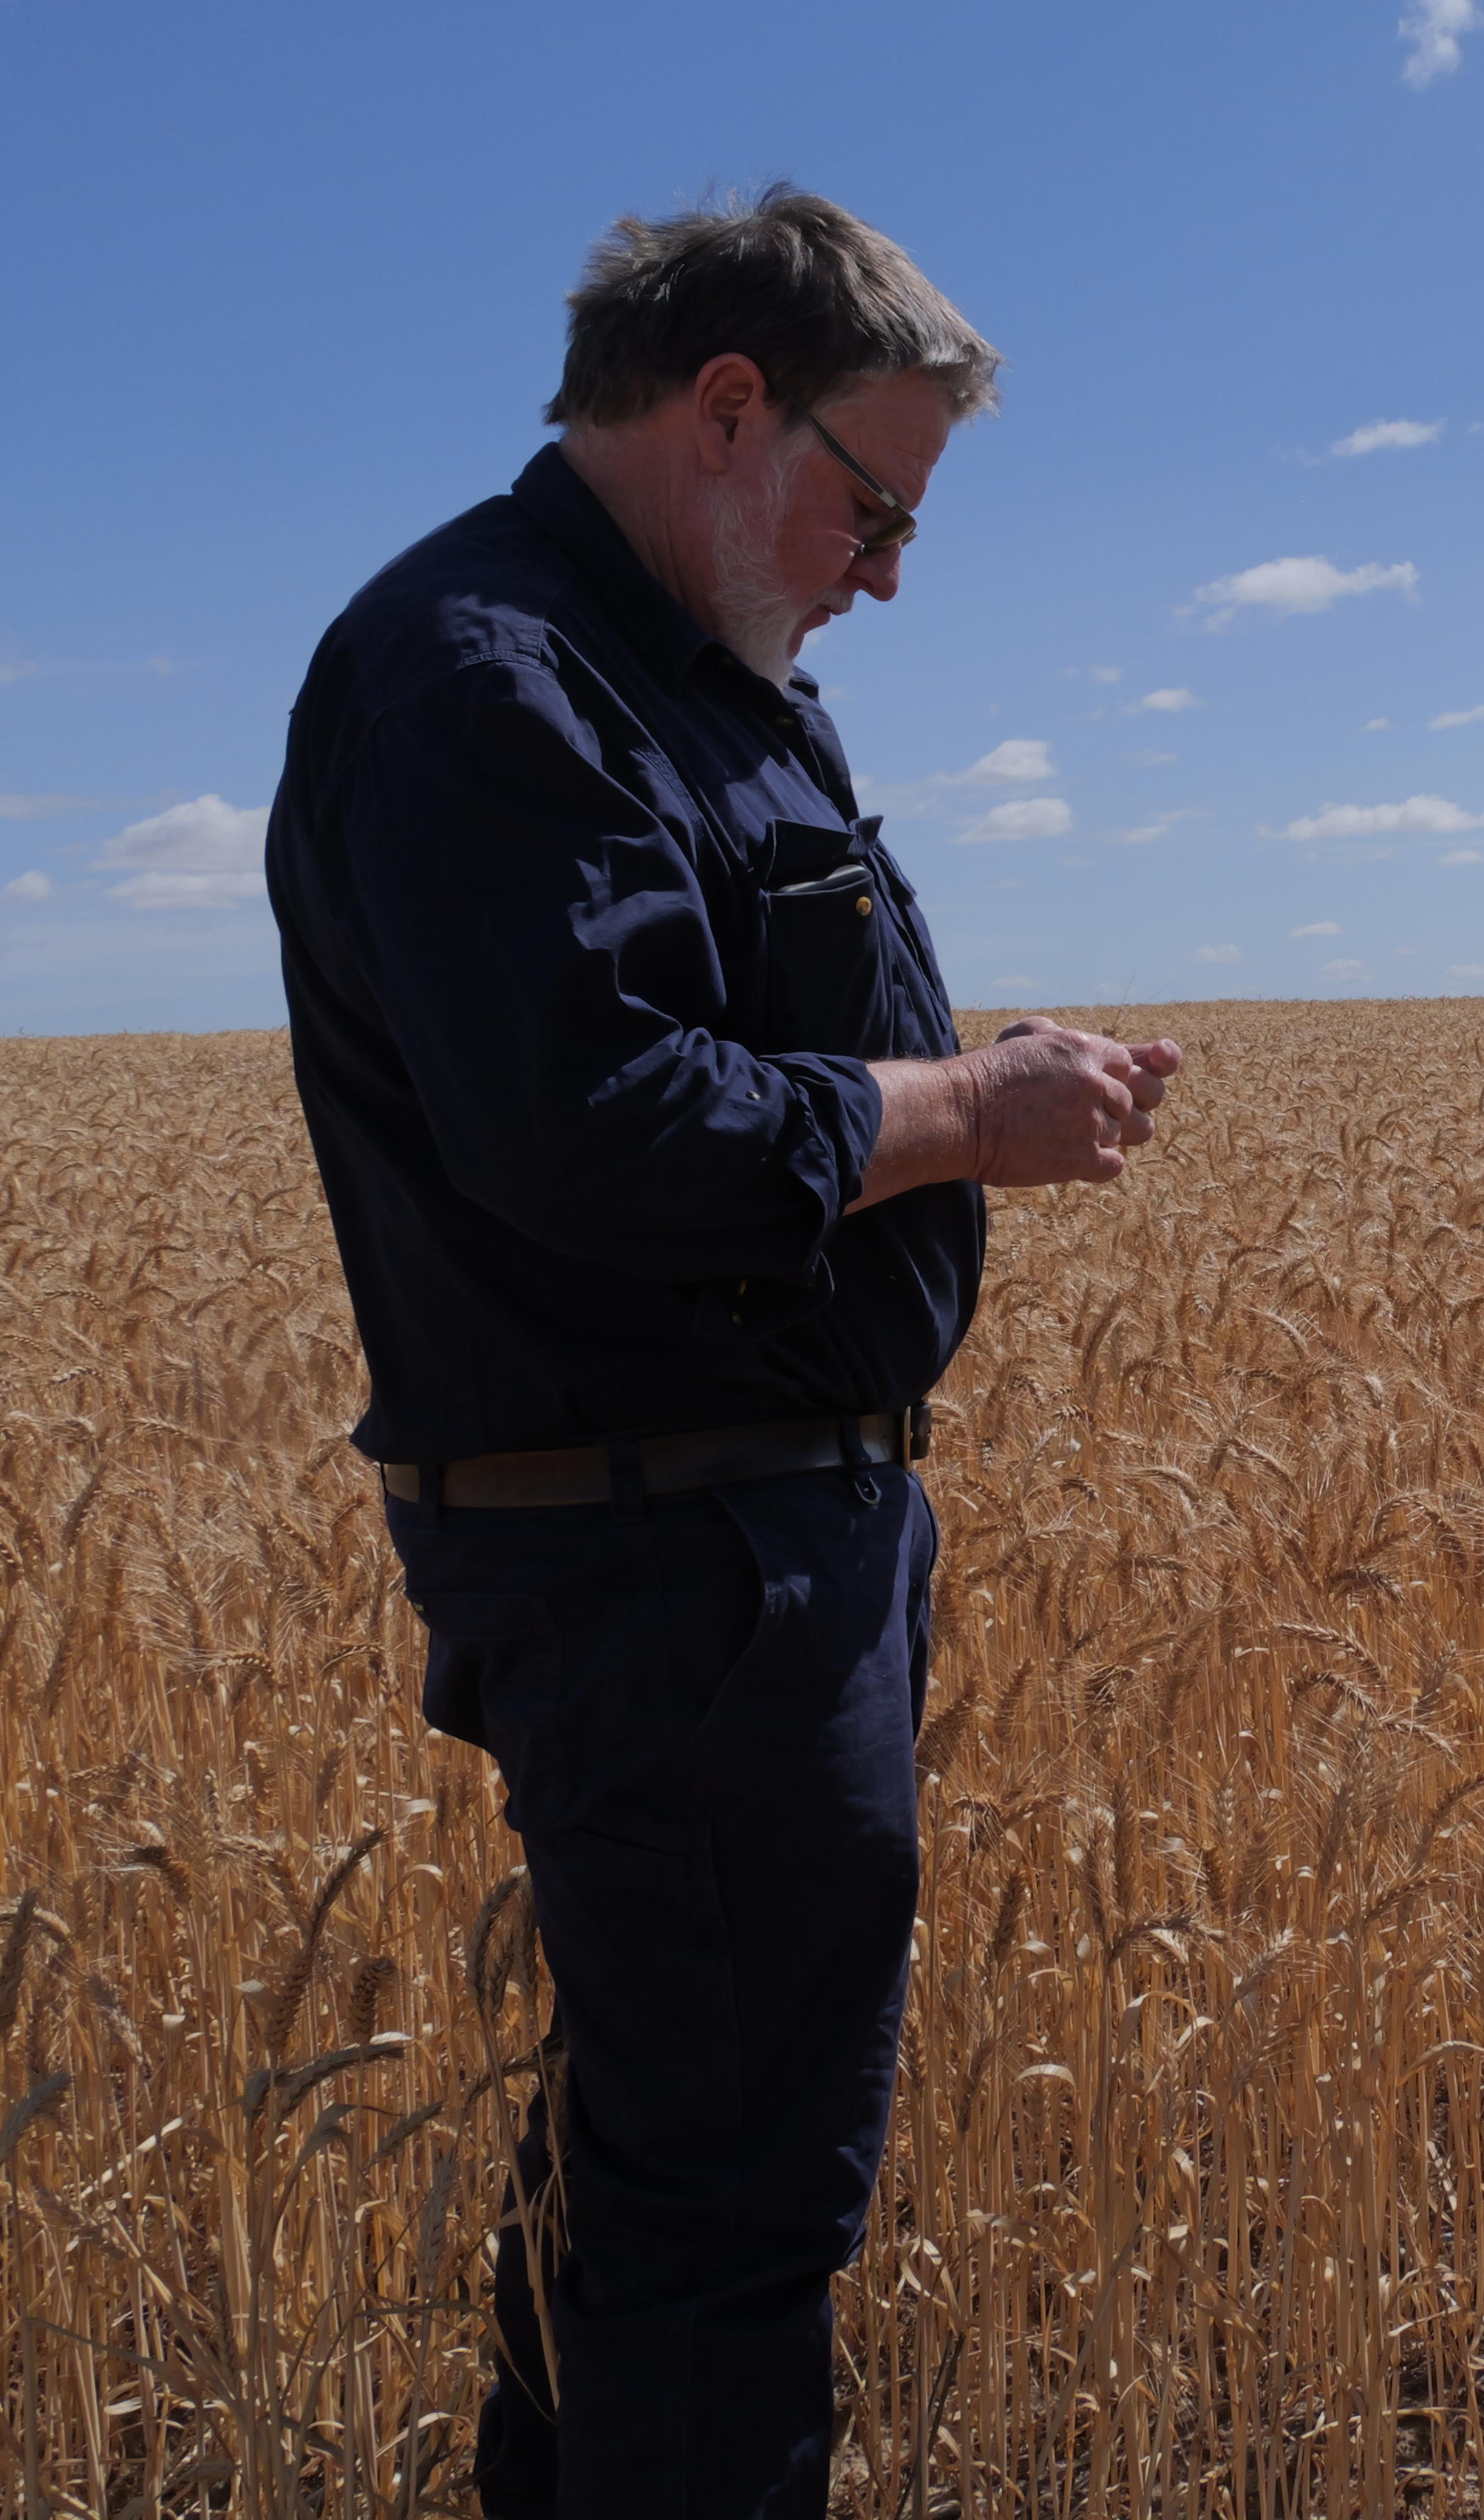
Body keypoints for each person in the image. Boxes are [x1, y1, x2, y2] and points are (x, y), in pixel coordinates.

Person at [265, 186, 1180, 2520]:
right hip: (670, 1574)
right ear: (726, 406)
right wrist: (970, 1110)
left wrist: (950, 1088)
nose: (888, 573)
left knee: (658, 2192)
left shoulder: (698, 680)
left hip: (762, 1549)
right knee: (727, 2218)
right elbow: (604, 1123)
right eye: (874, 505)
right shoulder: (481, 677)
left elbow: (739, 1052)